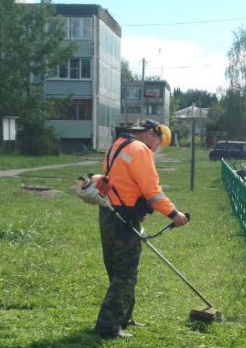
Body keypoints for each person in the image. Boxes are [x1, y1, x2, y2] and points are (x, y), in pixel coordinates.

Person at [93, 119, 189, 338]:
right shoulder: (140, 150)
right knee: (126, 273)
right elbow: (152, 191)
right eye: (157, 142)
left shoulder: (117, 145)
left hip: (109, 212)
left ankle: (124, 317)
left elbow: (121, 181)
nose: (155, 148)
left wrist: (136, 206)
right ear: (149, 133)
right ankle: (108, 328)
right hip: (124, 219)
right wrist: (175, 215)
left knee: (117, 269)